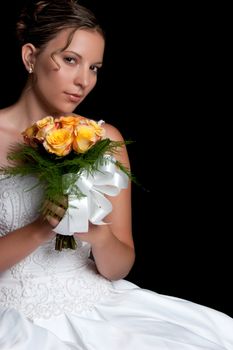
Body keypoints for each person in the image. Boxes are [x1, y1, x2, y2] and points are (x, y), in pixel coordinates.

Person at [0, 1, 232, 349]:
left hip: (94, 305)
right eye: (70, 60)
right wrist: (40, 228)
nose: (84, 81)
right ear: (31, 56)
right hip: (13, 315)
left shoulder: (104, 139)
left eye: (94, 68)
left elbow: (119, 266)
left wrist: (98, 235)